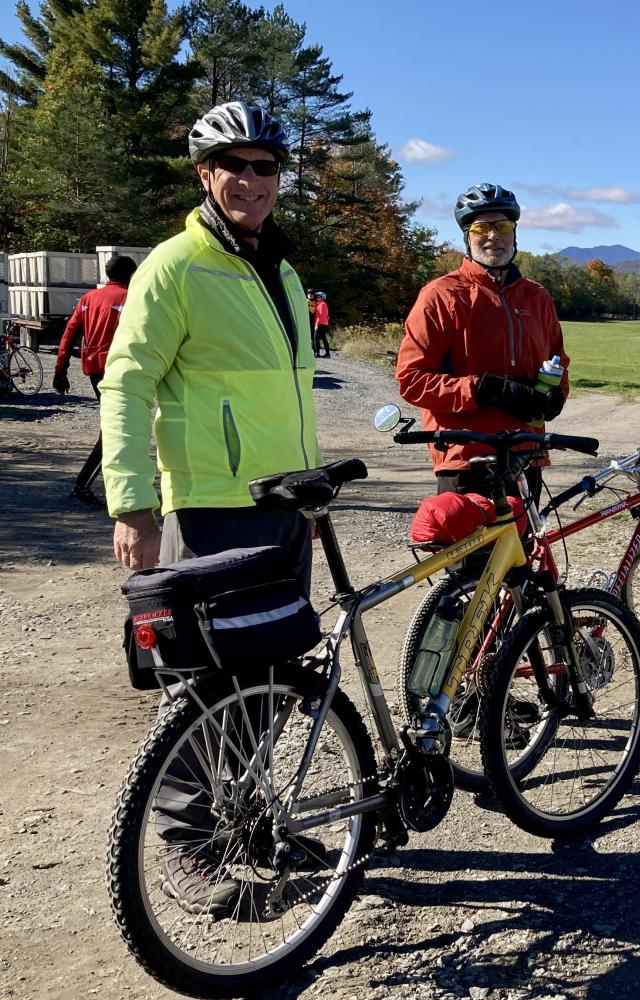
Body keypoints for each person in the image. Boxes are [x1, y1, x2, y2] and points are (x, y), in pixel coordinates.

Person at [99, 100, 318, 915]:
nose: (252, 180)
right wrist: (134, 502)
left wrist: (311, 481)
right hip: (213, 503)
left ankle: (246, 821)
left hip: (287, 502)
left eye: (266, 167)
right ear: (205, 175)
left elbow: (283, 395)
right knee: (208, 685)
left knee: (271, 674)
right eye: (235, 165)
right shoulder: (175, 266)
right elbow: (127, 384)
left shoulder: (282, 268)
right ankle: (186, 848)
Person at [395, 182, 569, 497]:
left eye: (502, 225)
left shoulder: (537, 297)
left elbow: (558, 360)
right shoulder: (441, 295)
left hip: (525, 454)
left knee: (524, 547)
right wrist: (484, 389)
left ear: (515, 233)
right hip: (466, 458)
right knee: (474, 548)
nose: (493, 236)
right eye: (481, 227)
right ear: (467, 236)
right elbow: (412, 380)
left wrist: (557, 394)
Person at [53, 253, 136, 508]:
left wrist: (60, 371)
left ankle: (113, 486)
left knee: (116, 427)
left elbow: (70, 333)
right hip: (120, 371)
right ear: (131, 275)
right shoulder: (129, 298)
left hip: (95, 369)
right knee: (116, 430)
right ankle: (82, 485)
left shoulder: (89, 298)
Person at [312, 290, 332, 357]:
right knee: (323, 338)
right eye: (317, 297)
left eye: (319, 297)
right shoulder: (321, 304)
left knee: (316, 338)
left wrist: (316, 325)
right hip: (323, 323)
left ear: (322, 297)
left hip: (320, 324)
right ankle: (327, 354)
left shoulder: (322, 304)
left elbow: (320, 316)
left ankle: (317, 353)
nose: (317, 298)